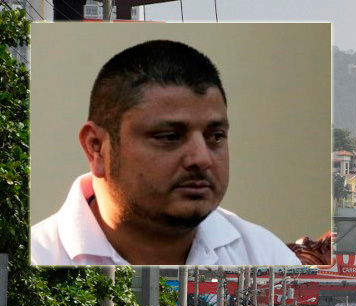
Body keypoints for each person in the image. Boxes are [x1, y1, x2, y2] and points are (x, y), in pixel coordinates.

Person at [31, 39, 301, 266]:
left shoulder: (267, 258)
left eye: (215, 137)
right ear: (96, 147)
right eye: (170, 137)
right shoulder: (38, 257)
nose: (201, 159)